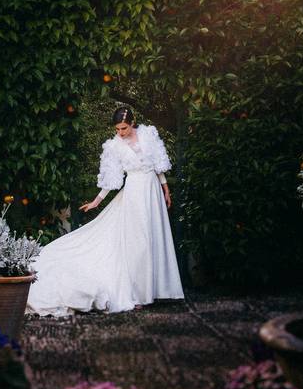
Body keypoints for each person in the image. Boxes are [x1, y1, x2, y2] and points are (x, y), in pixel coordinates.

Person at [25, 106, 184, 316]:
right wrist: (96, 201)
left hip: (152, 189)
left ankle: (156, 290)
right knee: (139, 240)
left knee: (154, 236)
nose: (120, 132)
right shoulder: (114, 146)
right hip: (134, 192)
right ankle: (138, 294)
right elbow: (112, 178)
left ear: (132, 122)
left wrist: (165, 188)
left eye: (124, 128)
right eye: (117, 129)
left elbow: (157, 164)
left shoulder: (148, 134)